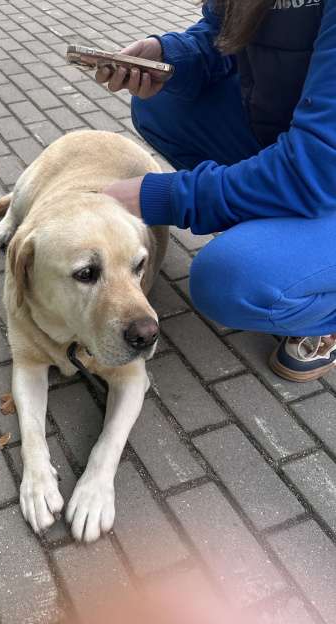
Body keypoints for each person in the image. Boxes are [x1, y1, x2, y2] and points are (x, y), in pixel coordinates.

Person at [98, 0, 336, 382]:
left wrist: (168, 197)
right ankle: (279, 232)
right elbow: (221, 32)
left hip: (323, 164)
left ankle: (323, 310)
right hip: (308, 144)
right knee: (162, 103)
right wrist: (169, 57)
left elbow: (317, 166)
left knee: (229, 280)